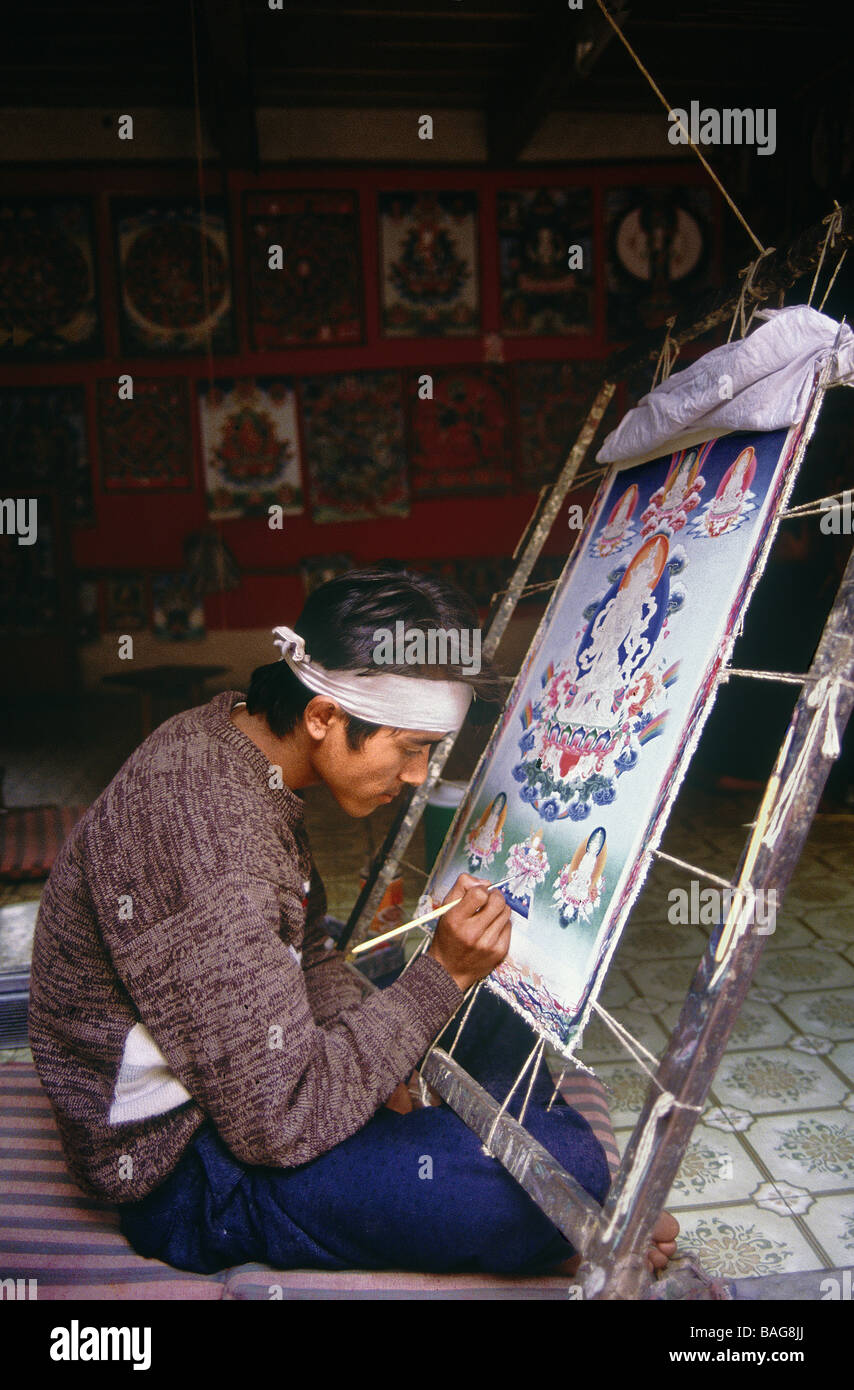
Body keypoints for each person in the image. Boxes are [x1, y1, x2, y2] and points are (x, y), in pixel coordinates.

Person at [29, 565, 676, 1278]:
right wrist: (437, 980)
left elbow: (307, 952)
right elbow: (276, 1120)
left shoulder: (232, 740)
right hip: (190, 1168)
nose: (417, 776)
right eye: (411, 748)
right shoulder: (215, 844)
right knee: (564, 1176)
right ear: (323, 718)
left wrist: (389, 1061)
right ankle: (580, 1212)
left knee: (493, 1002)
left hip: (250, 1080)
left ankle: (563, 1201)